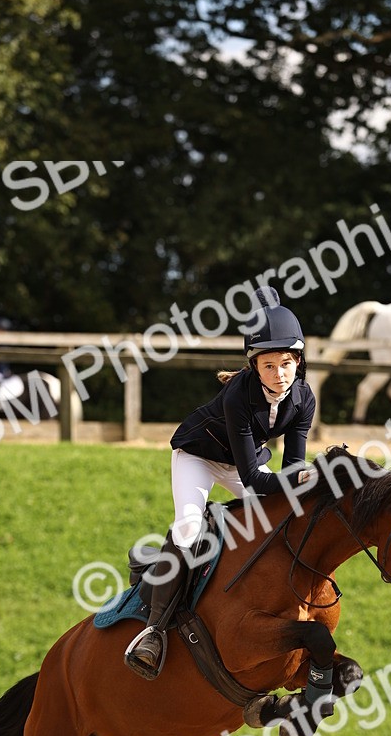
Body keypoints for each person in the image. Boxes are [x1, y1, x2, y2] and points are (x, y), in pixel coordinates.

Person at [124, 285, 316, 680]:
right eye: (268, 366)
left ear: (299, 361)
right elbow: (255, 479)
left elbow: (292, 470)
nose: (279, 375)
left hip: (245, 464)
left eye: (286, 364)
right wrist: (300, 479)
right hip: (199, 457)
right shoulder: (237, 395)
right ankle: (154, 630)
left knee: (282, 518)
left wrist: (310, 479)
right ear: (253, 366)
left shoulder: (304, 399)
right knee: (191, 527)